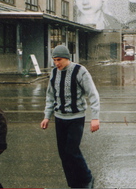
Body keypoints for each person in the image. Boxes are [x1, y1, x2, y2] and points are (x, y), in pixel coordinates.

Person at [40, 45, 100, 188]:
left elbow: (93, 94)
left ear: (67, 58)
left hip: (76, 118)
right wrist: (47, 116)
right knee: (63, 154)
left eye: (59, 60)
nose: (56, 63)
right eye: (54, 60)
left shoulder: (80, 71)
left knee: (72, 151)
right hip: (60, 118)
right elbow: (50, 96)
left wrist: (95, 117)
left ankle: (86, 179)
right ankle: (74, 183)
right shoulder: (54, 73)